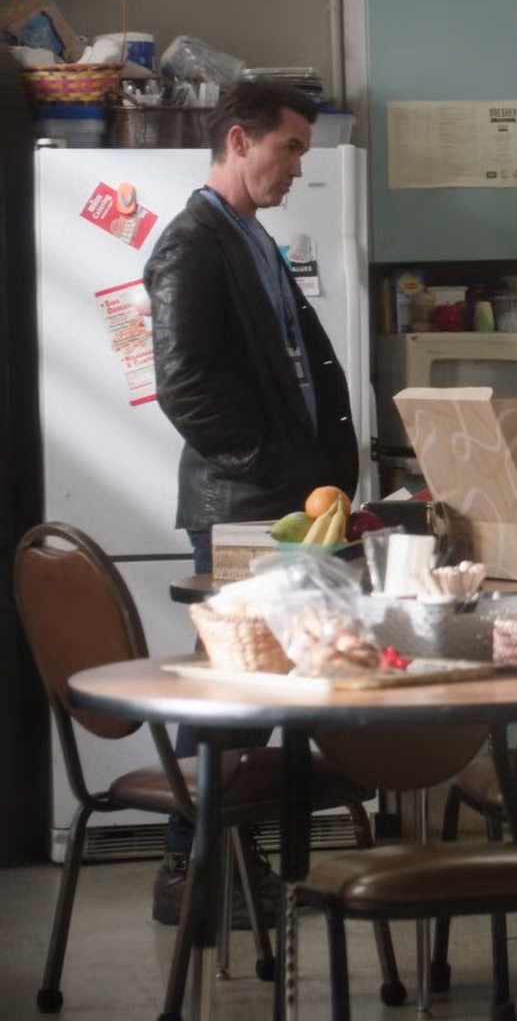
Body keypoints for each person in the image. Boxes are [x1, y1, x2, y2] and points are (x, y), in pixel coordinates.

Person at [145, 79, 358, 926]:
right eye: (289, 148)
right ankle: (188, 869)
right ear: (239, 141)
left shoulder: (249, 237)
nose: (298, 166)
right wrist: (269, 468)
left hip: (275, 504)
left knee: (254, 692)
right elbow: (184, 387)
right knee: (237, 692)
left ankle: (214, 862)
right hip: (244, 506)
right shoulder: (191, 244)